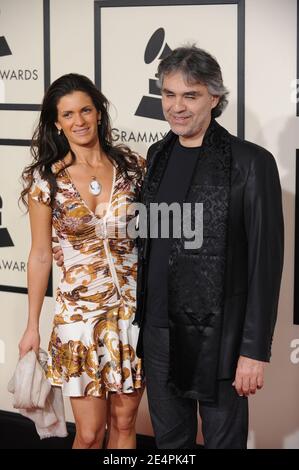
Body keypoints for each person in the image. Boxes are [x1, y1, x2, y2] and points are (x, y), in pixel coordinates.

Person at [133, 46, 284, 449]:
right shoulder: (157, 155)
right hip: (159, 332)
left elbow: (264, 267)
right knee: (170, 446)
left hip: (221, 336)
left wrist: (253, 352)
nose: (176, 107)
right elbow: (152, 241)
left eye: (190, 95)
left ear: (214, 98)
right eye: (168, 94)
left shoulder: (251, 163)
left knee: (223, 443)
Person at [18, 73, 145, 449]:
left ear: (99, 113)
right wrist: (32, 325)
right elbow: (40, 255)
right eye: (68, 114)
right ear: (56, 123)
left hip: (131, 313)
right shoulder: (47, 181)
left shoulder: (134, 168)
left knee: (124, 424)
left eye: (86, 110)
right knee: (89, 435)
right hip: (79, 319)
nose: (79, 121)